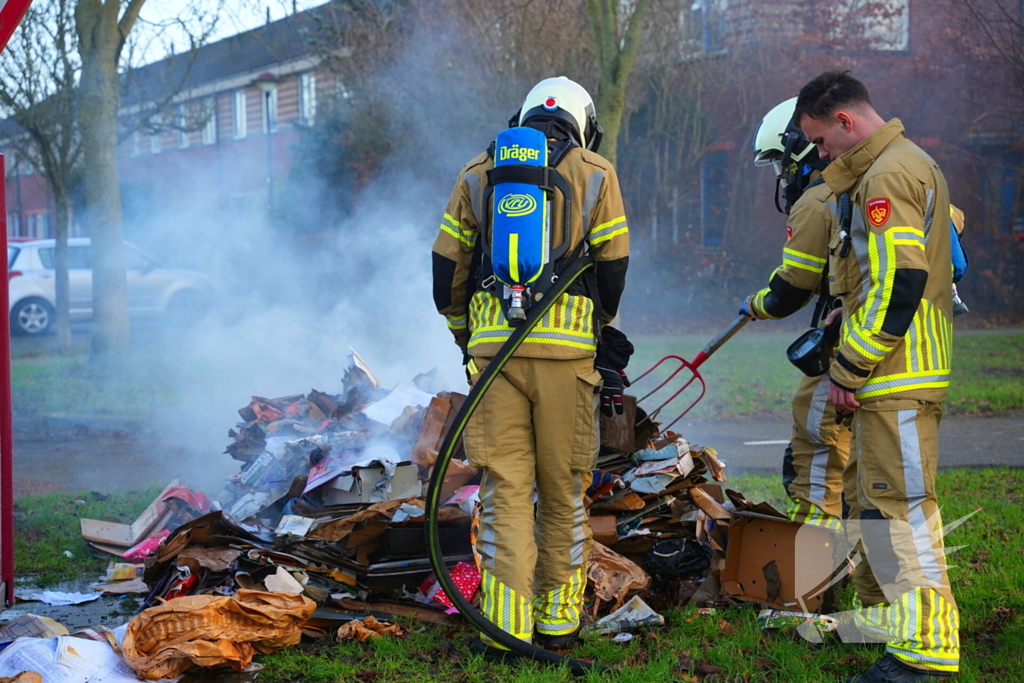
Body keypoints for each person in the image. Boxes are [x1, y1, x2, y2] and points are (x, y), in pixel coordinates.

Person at [431, 76, 630, 654]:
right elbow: (613, 268)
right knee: (565, 491)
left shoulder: (477, 170)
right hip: (567, 359)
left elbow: (448, 271)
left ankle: (507, 628)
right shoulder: (597, 172)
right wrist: (593, 331)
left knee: (504, 490)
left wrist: (469, 337)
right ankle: (558, 623)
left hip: (495, 357)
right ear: (582, 121)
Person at [795, 70, 957, 682]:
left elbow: (903, 281)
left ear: (845, 121)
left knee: (902, 509)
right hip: (895, 372)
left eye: (824, 141)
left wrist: (851, 361)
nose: (822, 155)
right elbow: (885, 276)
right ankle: (897, 624)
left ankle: (927, 654)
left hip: (894, 373)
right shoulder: (900, 164)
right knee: (879, 504)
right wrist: (847, 309)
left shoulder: (888, 174)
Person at [743, 97, 850, 531]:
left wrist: (755, 304)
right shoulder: (895, 179)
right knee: (876, 471)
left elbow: (791, 289)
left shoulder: (817, 199)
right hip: (905, 349)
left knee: (814, 451)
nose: (782, 176)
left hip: (847, 344)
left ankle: (812, 581)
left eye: (781, 164)